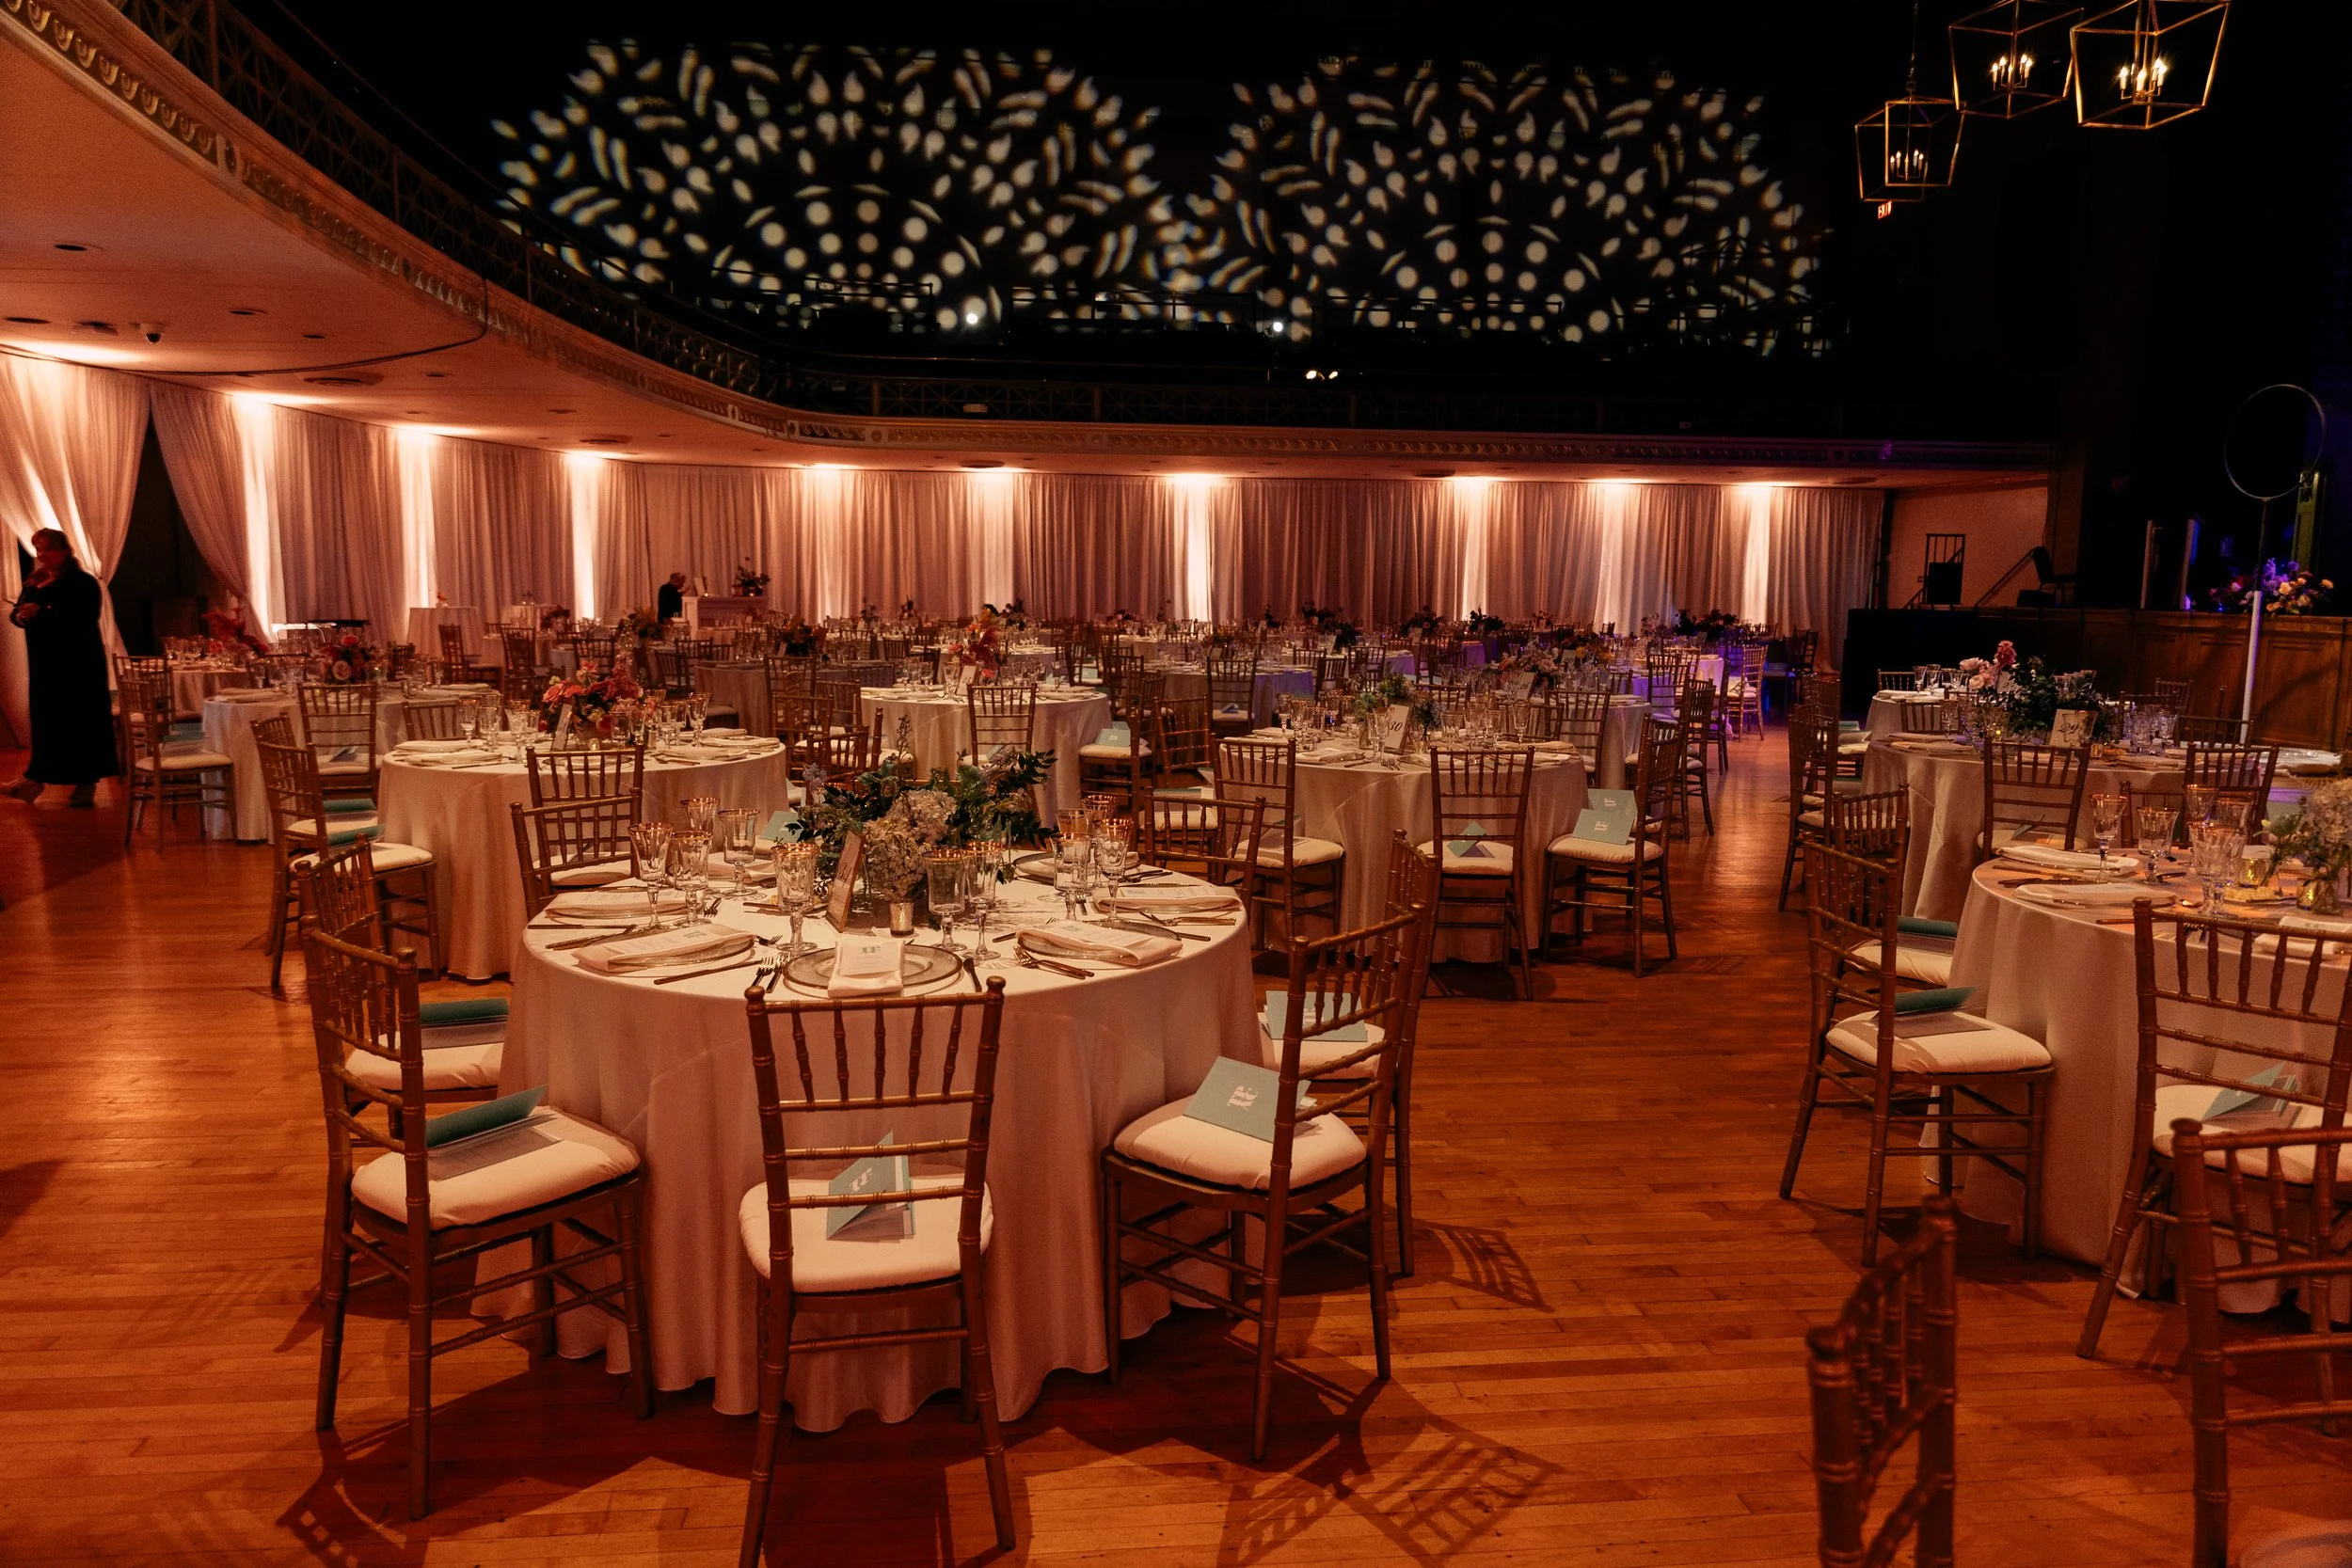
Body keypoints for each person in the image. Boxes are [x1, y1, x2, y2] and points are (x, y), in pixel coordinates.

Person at [7, 529, 119, 807]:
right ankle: (35, 780)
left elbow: (82, 617)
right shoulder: (37, 581)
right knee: (47, 721)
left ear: (64, 551)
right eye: (38, 550)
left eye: (46, 549)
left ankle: (85, 784)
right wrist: (21, 615)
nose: (42, 555)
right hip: (47, 664)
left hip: (78, 666)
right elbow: (18, 612)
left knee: (80, 721)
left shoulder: (82, 582)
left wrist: (42, 612)